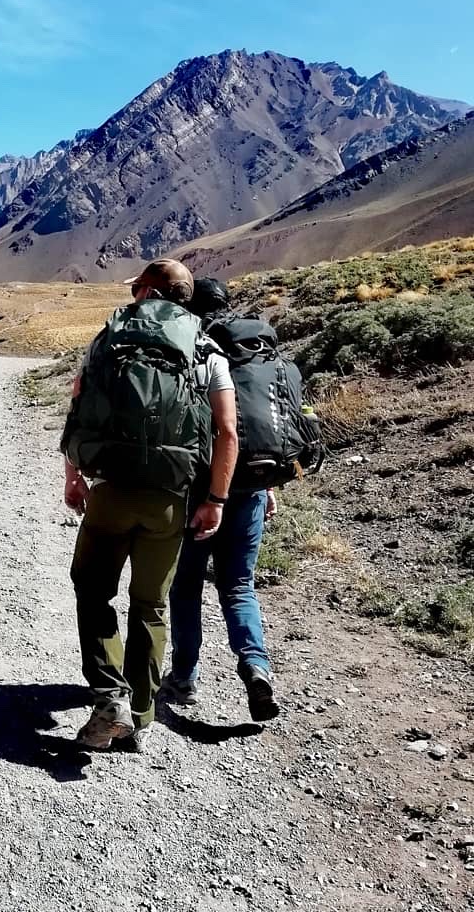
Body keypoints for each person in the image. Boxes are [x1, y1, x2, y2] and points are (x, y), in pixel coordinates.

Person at [62, 260, 238, 753]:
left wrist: (74, 474)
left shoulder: (111, 337)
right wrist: (216, 499)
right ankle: (140, 716)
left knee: (93, 590)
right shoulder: (207, 349)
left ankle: (110, 696)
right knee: (150, 604)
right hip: (171, 499)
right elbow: (227, 430)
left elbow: (79, 403)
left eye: (137, 286)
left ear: (148, 291)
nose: (134, 293)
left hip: (111, 491)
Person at [166, 278, 281, 722]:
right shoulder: (255, 350)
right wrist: (268, 485)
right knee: (238, 585)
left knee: (186, 584)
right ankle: (255, 666)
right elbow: (256, 427)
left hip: (203, 490)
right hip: (251, 485)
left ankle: (184, 675)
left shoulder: (196, 349)